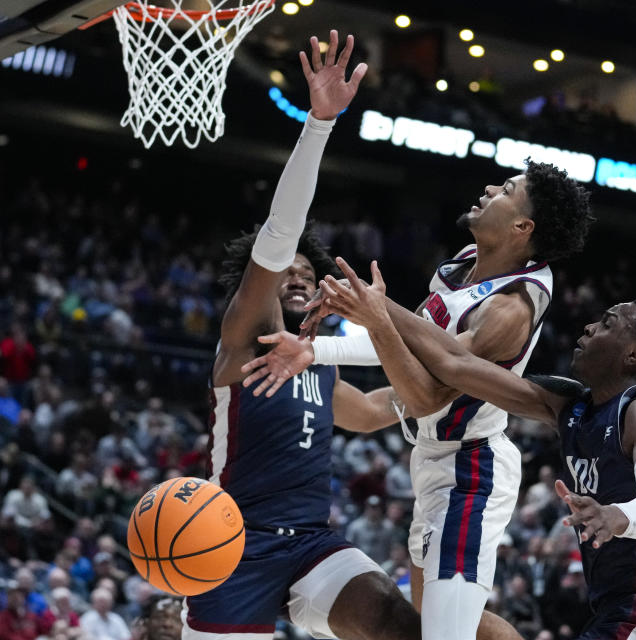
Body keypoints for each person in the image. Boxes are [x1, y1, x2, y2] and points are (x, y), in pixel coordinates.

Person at [242, 158, 592, 640]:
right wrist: (314, 348)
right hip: (433, 459)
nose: (490, 187)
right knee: (437, 624)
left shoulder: (509, 309)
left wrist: (376, 311)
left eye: (506, 188)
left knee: (442, 636)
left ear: (521, 226)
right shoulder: (466, 261)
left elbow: (428, 394)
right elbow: (410, 343)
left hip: (473, 472)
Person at [271, 260, 636, 639]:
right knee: (432, 617)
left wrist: (616, 516)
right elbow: (456, 366)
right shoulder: (568, 405)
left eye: (608, 324)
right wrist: (336, 338)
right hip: (614, 609)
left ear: (635, 354)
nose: (590, 326)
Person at [182, 30, 420, 640]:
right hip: (230, 543)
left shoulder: (320, 360)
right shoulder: (243, 340)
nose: (296, 276)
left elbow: (367, 413)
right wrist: (318, 125)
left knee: (394, 620)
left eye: (307, 274)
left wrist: (435, 391)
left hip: (312, 544)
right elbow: (279, 236)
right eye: (285, 270)